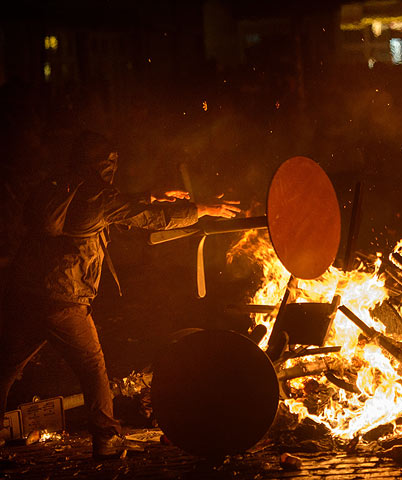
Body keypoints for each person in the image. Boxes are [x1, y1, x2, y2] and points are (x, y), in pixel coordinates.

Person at [0, 131, 241, 457]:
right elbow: (150, 219)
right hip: (64, 298)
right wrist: (200, 209)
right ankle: (108, 439)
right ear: (96, 161)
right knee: (93, 367)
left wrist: (150, 194)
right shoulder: (99, 194)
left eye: (115, 159)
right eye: (108, 160)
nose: (113, 165)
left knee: (6, 367)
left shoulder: (60, 186)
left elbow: (116, 207)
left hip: (25, 294)